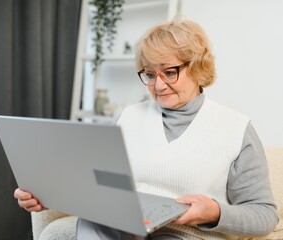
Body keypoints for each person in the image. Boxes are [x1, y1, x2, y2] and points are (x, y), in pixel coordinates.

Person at [14, 17, 278, 239]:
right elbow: (101, 182)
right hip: (122, 228)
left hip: (183, 234)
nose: (159, 85)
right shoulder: (129, 116)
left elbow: (265, 214)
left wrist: (213, 211)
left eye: (169, 72)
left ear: (198, 67)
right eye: (150, 74)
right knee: (91, 224)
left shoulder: (235, 128)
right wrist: (47, 193)